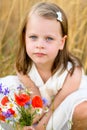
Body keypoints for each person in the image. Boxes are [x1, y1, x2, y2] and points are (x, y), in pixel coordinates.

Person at [0, 2, 87, 130]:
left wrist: (39, 127)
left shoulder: (72, 71)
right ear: (25, 38)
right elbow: (35, 100)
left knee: (83, 110)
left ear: (61, 42)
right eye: (33, 37)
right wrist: (29, 122)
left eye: (49, 39)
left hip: (60, 109)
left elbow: (55, 107)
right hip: (37, 108)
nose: (39, 45)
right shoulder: (24, 65)